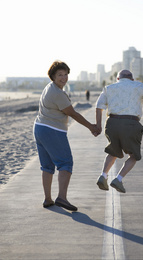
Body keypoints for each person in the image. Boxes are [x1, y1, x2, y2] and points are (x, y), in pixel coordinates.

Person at [33, 61, 99, 211]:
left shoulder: (49, 88)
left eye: (65, 74)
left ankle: (48, 199)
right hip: (52, 130)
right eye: (59, 75)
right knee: (65, 163)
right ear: (53, 77)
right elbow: (73, 113)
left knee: (47, 166)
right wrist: (91, 127)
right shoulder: (57, 93)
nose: (63, 78)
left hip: (39, 128)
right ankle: (62, 198)